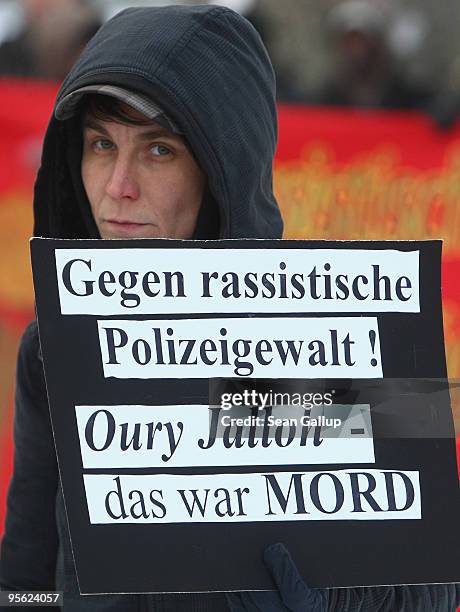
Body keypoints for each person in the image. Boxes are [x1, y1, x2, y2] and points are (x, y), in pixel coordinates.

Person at [0, 5, 458, 611]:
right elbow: (25, 581)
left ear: (223, 168)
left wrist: (337, 604)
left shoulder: (338, 342)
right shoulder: (54, 349)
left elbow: (430, 584)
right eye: (101, 144)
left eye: (158, 151)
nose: (117, 186)